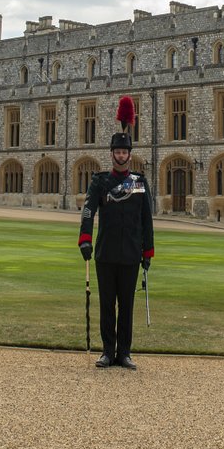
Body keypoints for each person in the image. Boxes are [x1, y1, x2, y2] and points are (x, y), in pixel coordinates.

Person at [78, 96, 154, 370]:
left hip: (131, 253)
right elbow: (88, 211)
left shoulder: (138, 183)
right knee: (107, 305)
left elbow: (146, 218)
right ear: (111, 153)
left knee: (127, 306)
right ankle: (108, 352)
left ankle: (124, 352)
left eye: (124, 152)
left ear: (129, 155)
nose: (121, 156)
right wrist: (85, 239)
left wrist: (148, 251)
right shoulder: (100, 182)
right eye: (117, 152)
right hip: (106, 252)